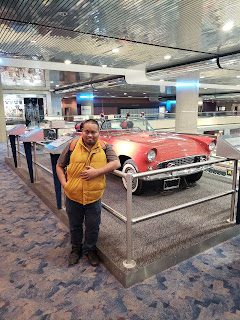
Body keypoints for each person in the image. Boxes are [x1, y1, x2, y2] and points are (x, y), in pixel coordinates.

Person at [56, 119, 120, 267]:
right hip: (73, 196)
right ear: (82, 132)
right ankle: (76, 249)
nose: (90, 135)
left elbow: (116, 163)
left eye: (93, 132)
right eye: (87, 131)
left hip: (93, 197)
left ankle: (90, 249)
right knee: (75, 225)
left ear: (98, 133)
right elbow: (59, 166)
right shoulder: (72, 146)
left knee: (93, 225)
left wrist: (96, 172)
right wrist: (65, 185)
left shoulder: (104, 147)